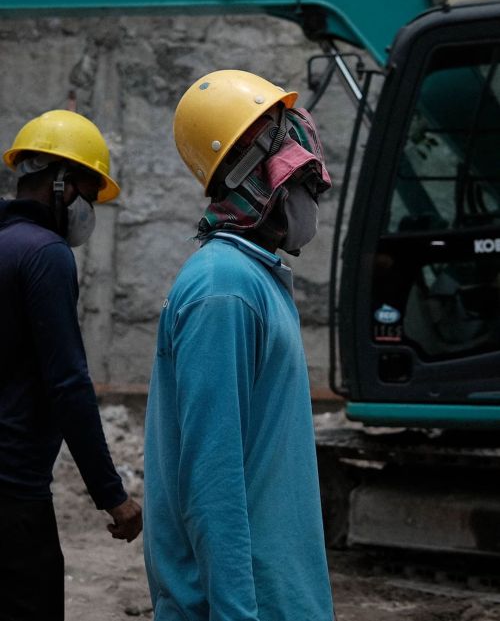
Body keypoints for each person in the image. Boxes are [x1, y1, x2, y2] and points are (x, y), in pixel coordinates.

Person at [144, 70, 335, 621]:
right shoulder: (225, 290)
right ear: (257, 178)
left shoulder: (251, 279)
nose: (312, 193)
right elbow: (213, 484)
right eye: (302, 180)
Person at [0, 109, 142, 621]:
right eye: (86, 190)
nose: (88, 208)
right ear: (59, 184)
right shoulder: (46, 255)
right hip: (13, 491)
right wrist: (112, 495)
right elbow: (68, 384)